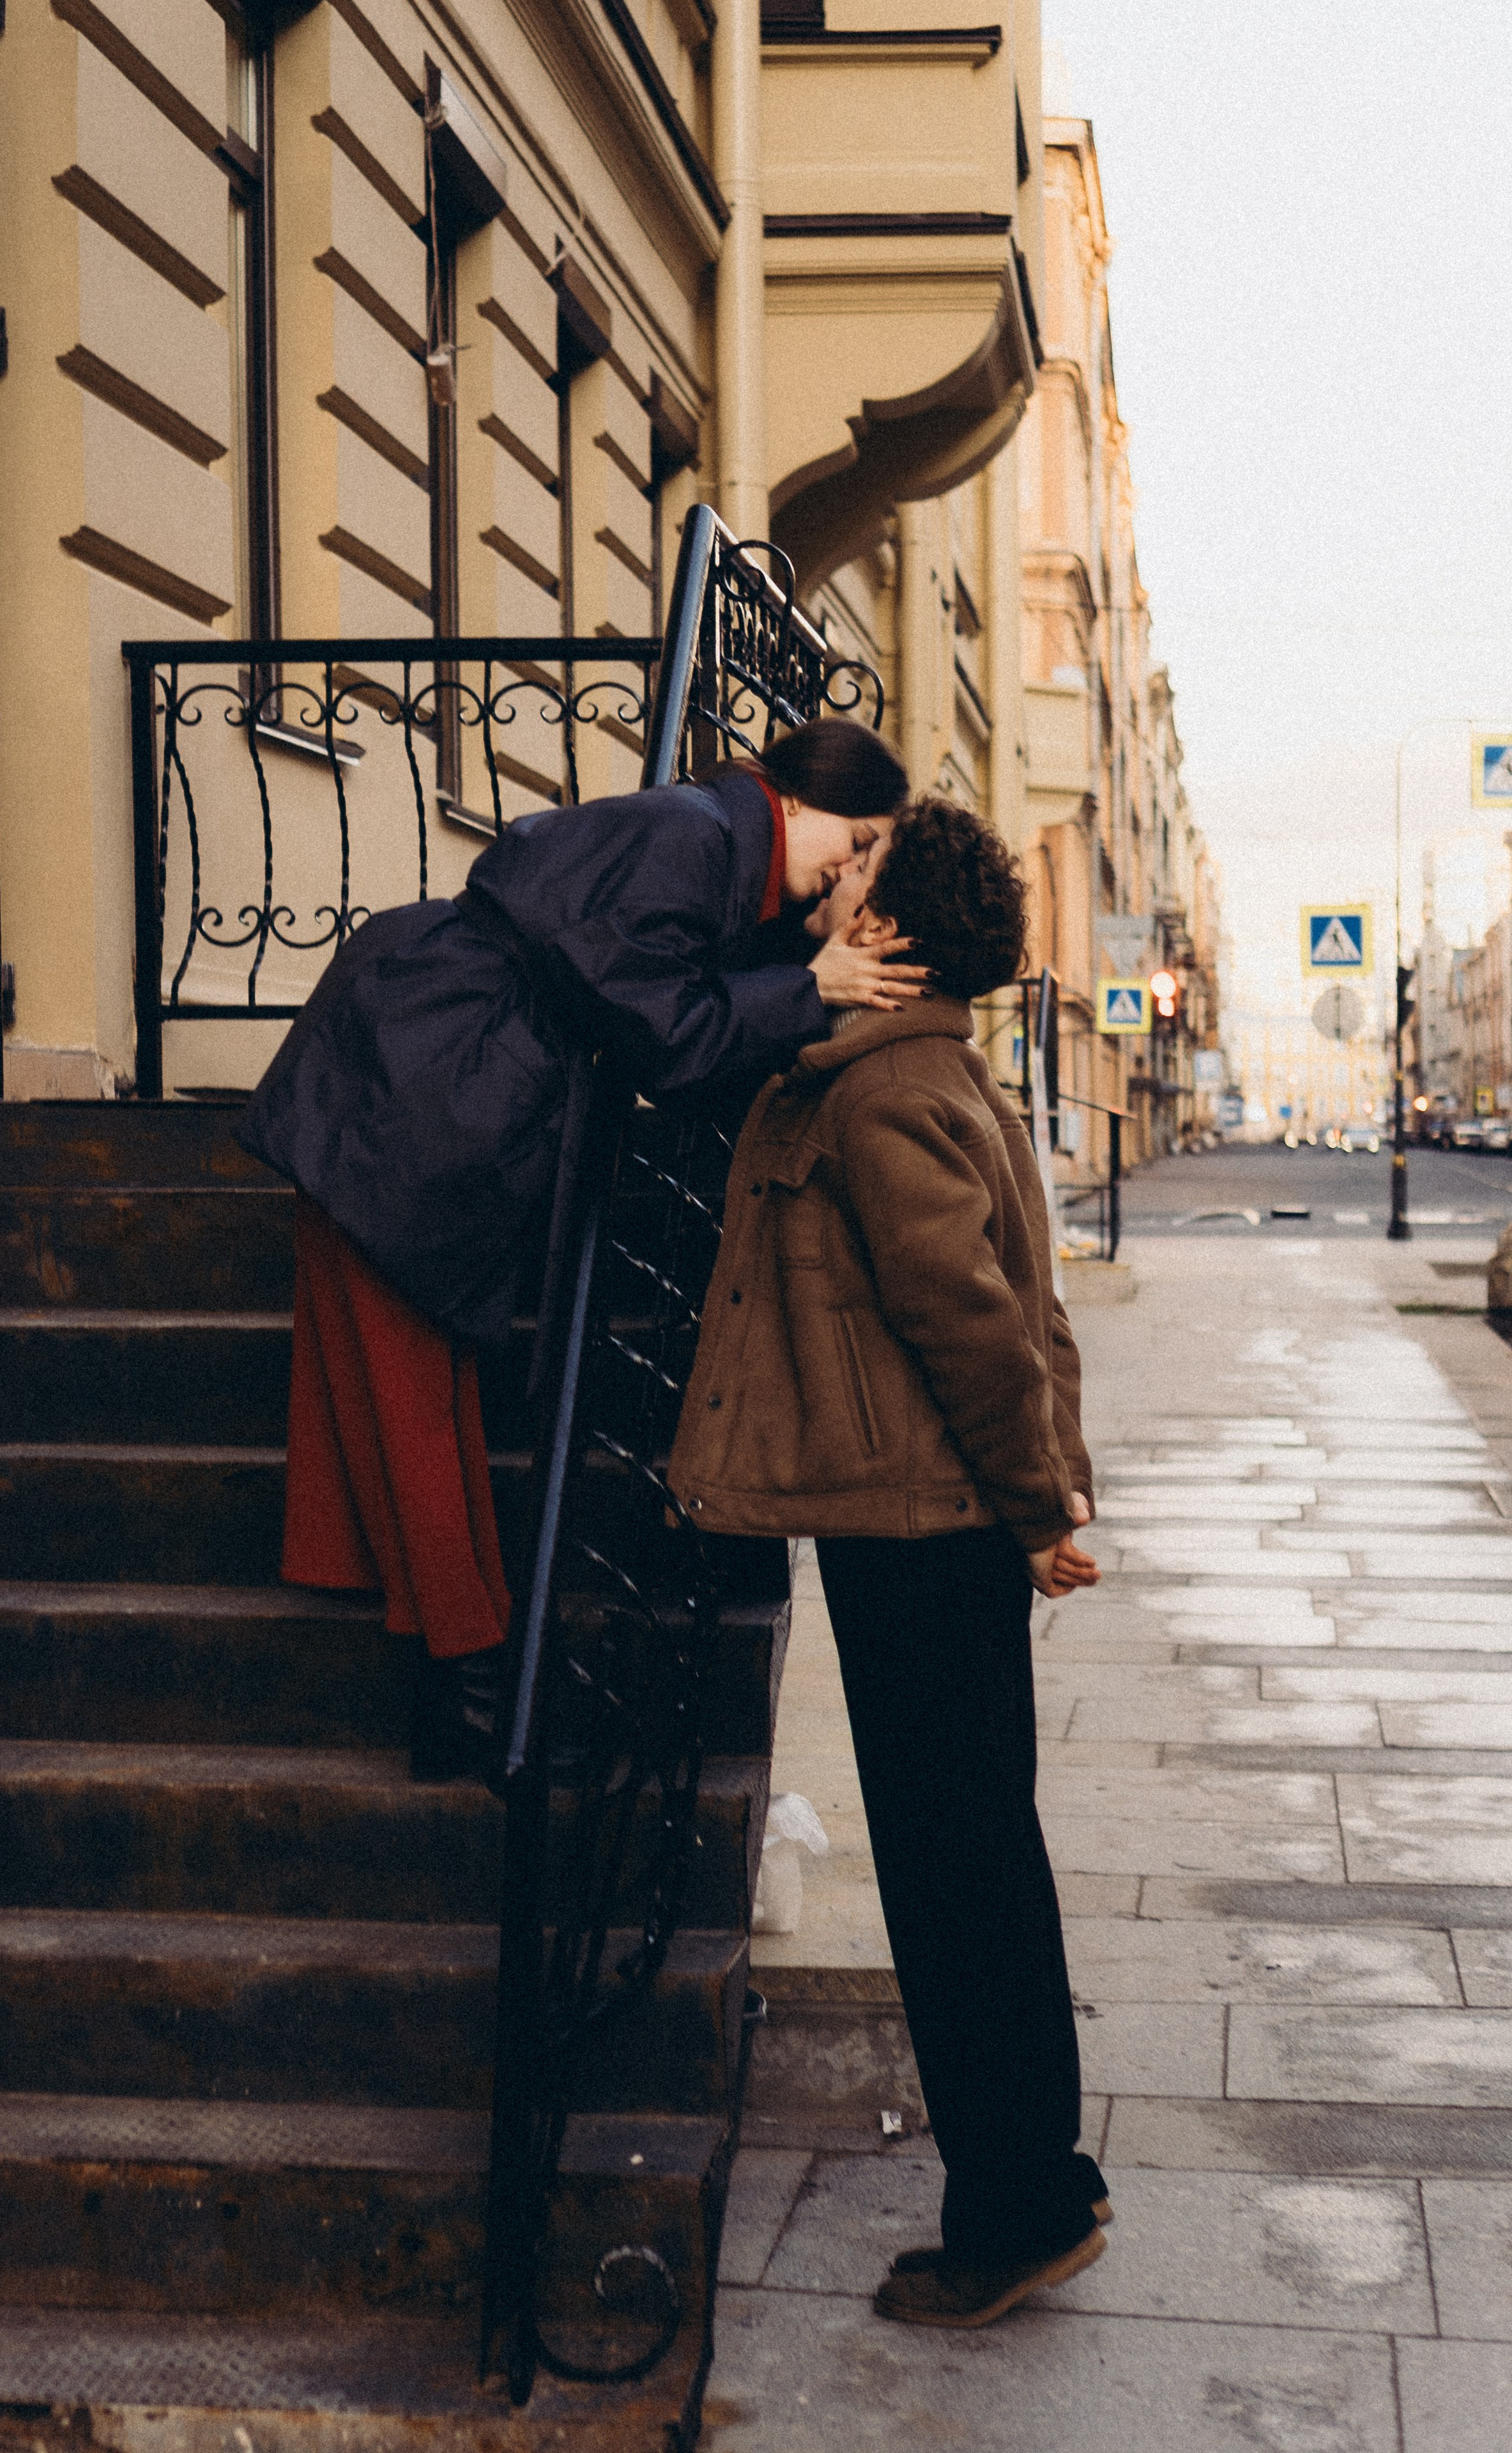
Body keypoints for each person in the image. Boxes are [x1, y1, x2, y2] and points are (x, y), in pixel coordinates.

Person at [239, 718, 924, 1771]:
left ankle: (469, 1684)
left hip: (429, 1062)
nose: (856, 862)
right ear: (798, 796)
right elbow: (666, 1029)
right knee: (407, 1397)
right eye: (860, 836)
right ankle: (469, 1693)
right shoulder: (694, 837)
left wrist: (804, 972)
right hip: (419, 1072)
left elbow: (667, 1001)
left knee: (415, 1395)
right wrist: (810, 988)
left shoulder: (712, 844)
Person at [668, 795, 1106, 2328]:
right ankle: (1042, 2173)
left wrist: (1040, 1506)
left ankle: (1014, 2205)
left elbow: (980, 1324)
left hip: (918, 1531)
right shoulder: (901, 1073)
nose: (824, 883)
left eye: (853, 871)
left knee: (953, 1870)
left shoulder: (879, 1097)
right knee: (979, 1847)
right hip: (926, 1524)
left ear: (895, 930)